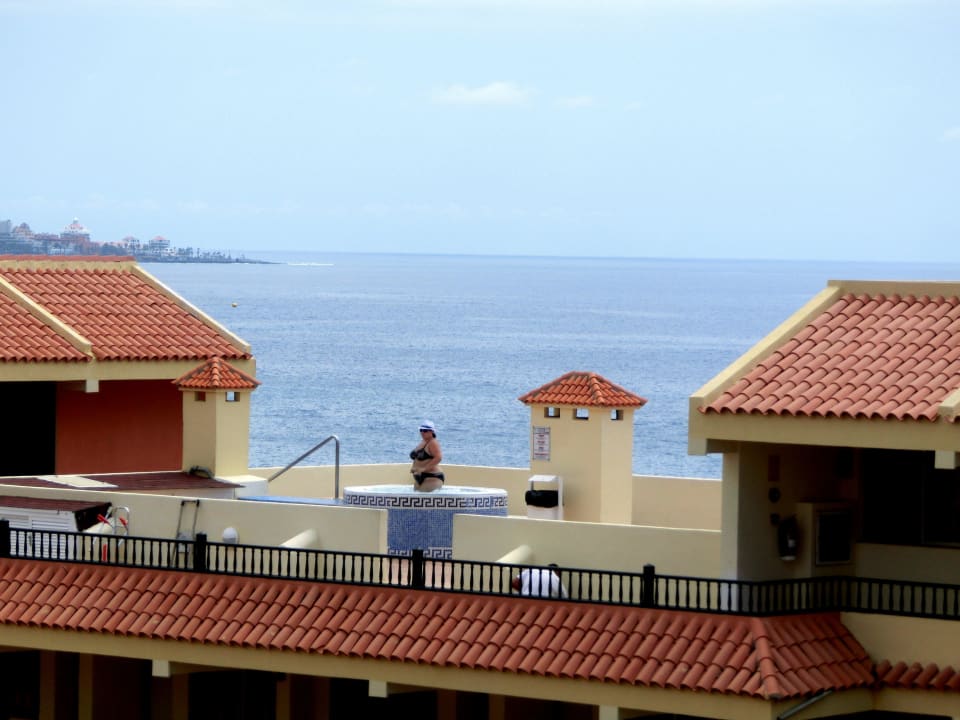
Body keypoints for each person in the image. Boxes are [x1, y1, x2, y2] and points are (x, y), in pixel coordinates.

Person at [409, 420, 444, 492]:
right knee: (415, 499)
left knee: (422, 499)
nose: (422, 432)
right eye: (421, 430)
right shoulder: (423, 441)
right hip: (420, 477)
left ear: (432, 431)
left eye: (425, 430)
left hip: (431, 477)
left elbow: (438, 457)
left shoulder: (433, 443)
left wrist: (423, 469)